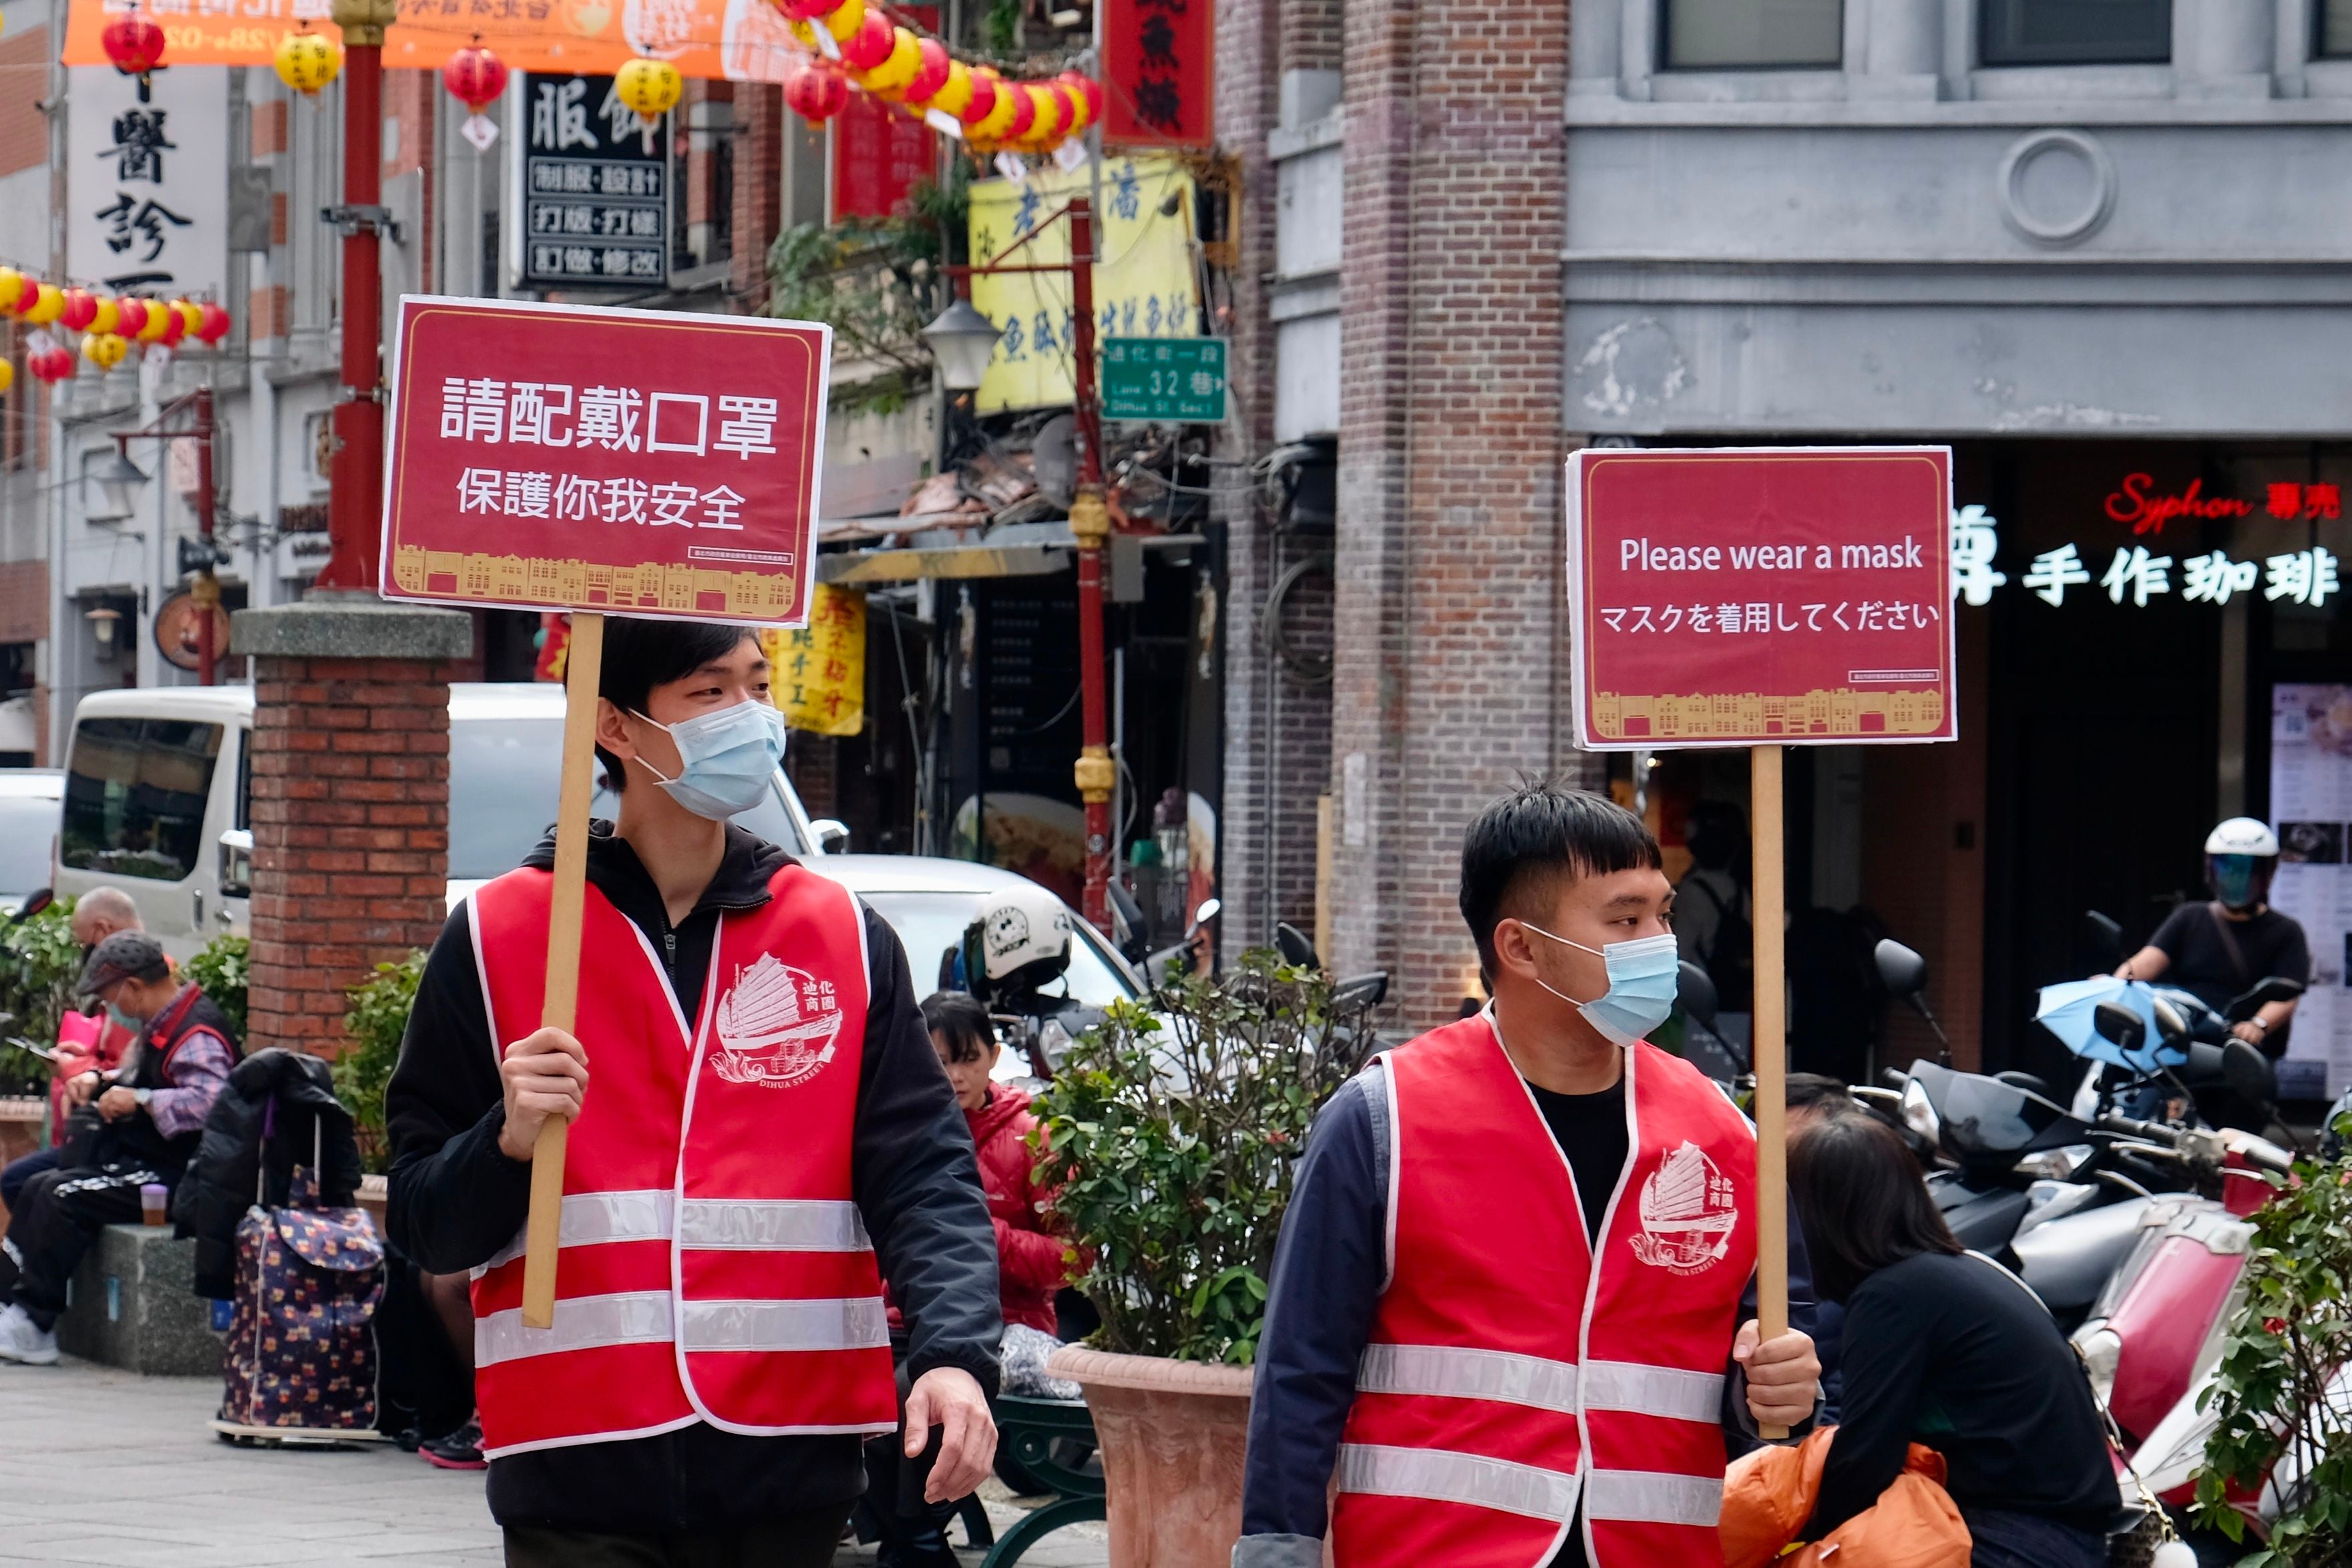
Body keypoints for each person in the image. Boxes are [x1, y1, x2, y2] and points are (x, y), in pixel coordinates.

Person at [384, 616, 1003, 1567]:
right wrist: (504, 1142)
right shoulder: (501, 936)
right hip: (573, 1464)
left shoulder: (839, 934)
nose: (749, 718)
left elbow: (924, 1174)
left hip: (790, 1462)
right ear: (615, 726)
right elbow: (425, 1225)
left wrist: (956, 1355)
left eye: (758, 686)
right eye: (710, 693)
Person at [1237, 783, 1820, 1568]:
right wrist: (1278, 1549)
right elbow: (1301, 1366)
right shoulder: (1386, 1120)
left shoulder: (1725, 1134)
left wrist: (1779, 1385)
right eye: (1624, 920)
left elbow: (1785, 1349)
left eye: (1663, 913)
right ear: (1520, 947)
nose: (1659, 943)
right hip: (1434, 1552)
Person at [1791, 1113, 2115, 1568]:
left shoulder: (1891, 1295)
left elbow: (1865, 1460)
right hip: (2063, 1534)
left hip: (2017, 1538)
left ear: (1819, 1216)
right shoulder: (1955, 1270)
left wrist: (1789, 1534)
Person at [0, 930, 240, 1364]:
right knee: (31, 1183)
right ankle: (11, 1305)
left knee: (61, 1194)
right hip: (137, 1153)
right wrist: (101, 1083)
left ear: (133, 986)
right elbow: (137, 1078)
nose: (111, 1009)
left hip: (180, 1174)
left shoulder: (196, 1032)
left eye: (111, 998)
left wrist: (143, 1101)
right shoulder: (162, 1022)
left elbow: (212, 1104)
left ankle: (35, 1323)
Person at [1, 888, 145, 1213]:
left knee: (27, 1184)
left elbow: (129, 1073)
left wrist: (77, 1071)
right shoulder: (139, 976)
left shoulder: (135, 983)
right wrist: (82, 1056)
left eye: (84, 943)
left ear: (103, 930)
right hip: (101, 1127)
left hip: (117, 1138)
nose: (85, 952)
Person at [2116, 817, 2309, 1054]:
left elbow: (2288, 994)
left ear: (2267, 873)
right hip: (2185, 1042)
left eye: (2247, 870)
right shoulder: (2190, 917)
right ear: (2211, 870)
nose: (2235, 878)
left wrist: (2257, 1025)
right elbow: (2146, 962)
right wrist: (2112, 987)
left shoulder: (2286, 931)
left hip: (2240, 1052)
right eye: (2226, 868)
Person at [1674, 800, 1752, 1014]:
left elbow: (1681, 952)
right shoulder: (1737, 888)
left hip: (1698, 996)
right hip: (1733, 993)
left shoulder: (1692, 890)